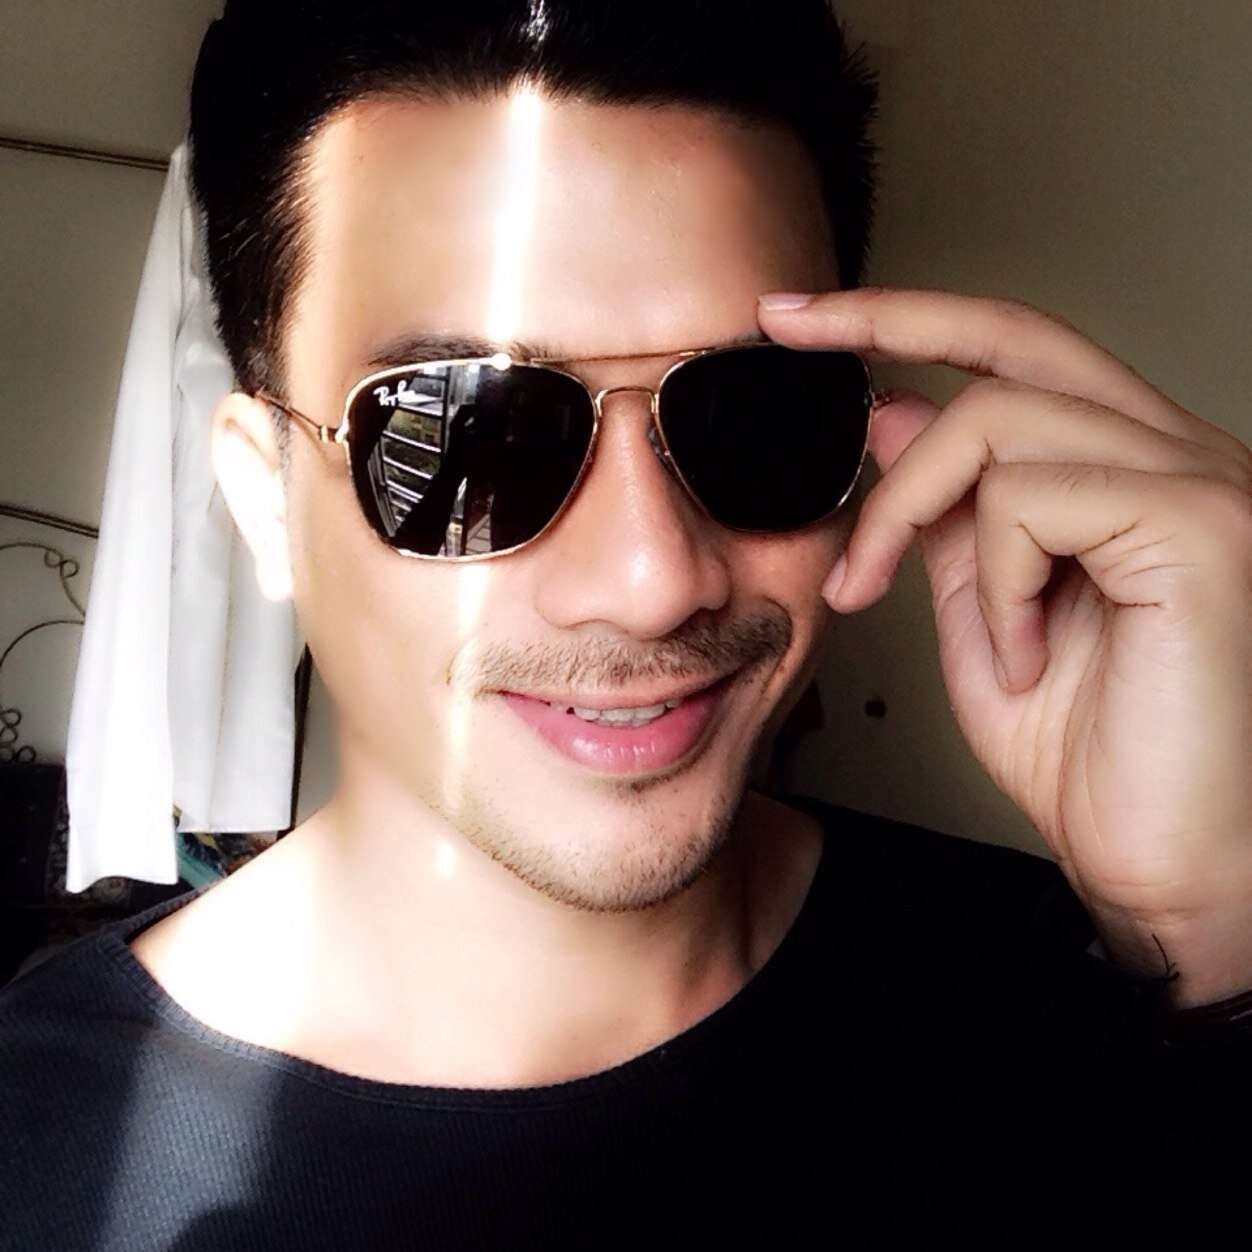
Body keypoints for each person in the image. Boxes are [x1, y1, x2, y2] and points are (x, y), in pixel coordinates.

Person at [3, 1, 1250, 1247]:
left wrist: (1219, 922)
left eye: (756, 414)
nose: (655, 579)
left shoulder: (1111, 992)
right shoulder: (48, 1149)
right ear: (264, 499)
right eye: (473, 435)